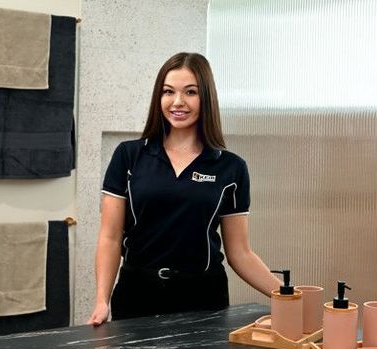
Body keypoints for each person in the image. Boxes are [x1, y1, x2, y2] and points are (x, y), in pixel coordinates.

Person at [87, 52, 281, 324]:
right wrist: (101, 301)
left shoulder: (231, 167)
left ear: (206, 99)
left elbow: (240, 253)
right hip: (137, 294)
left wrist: (286, 295)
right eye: (168, 92)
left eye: (190, 92)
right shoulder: (128, 156)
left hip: (204, 298)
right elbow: (109, 237)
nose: (177, 102)